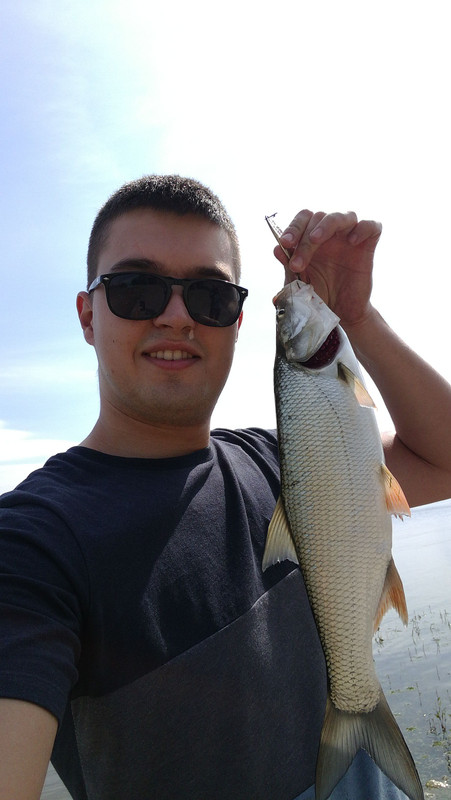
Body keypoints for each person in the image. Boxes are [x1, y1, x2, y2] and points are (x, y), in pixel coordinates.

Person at [0, 175, 450, 800]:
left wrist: (357, 318)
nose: (176, 316)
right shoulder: (29, 544)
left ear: (237, 321)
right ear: (87, 315)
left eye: (209, 297)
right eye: (136, 289)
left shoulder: (281, 459)